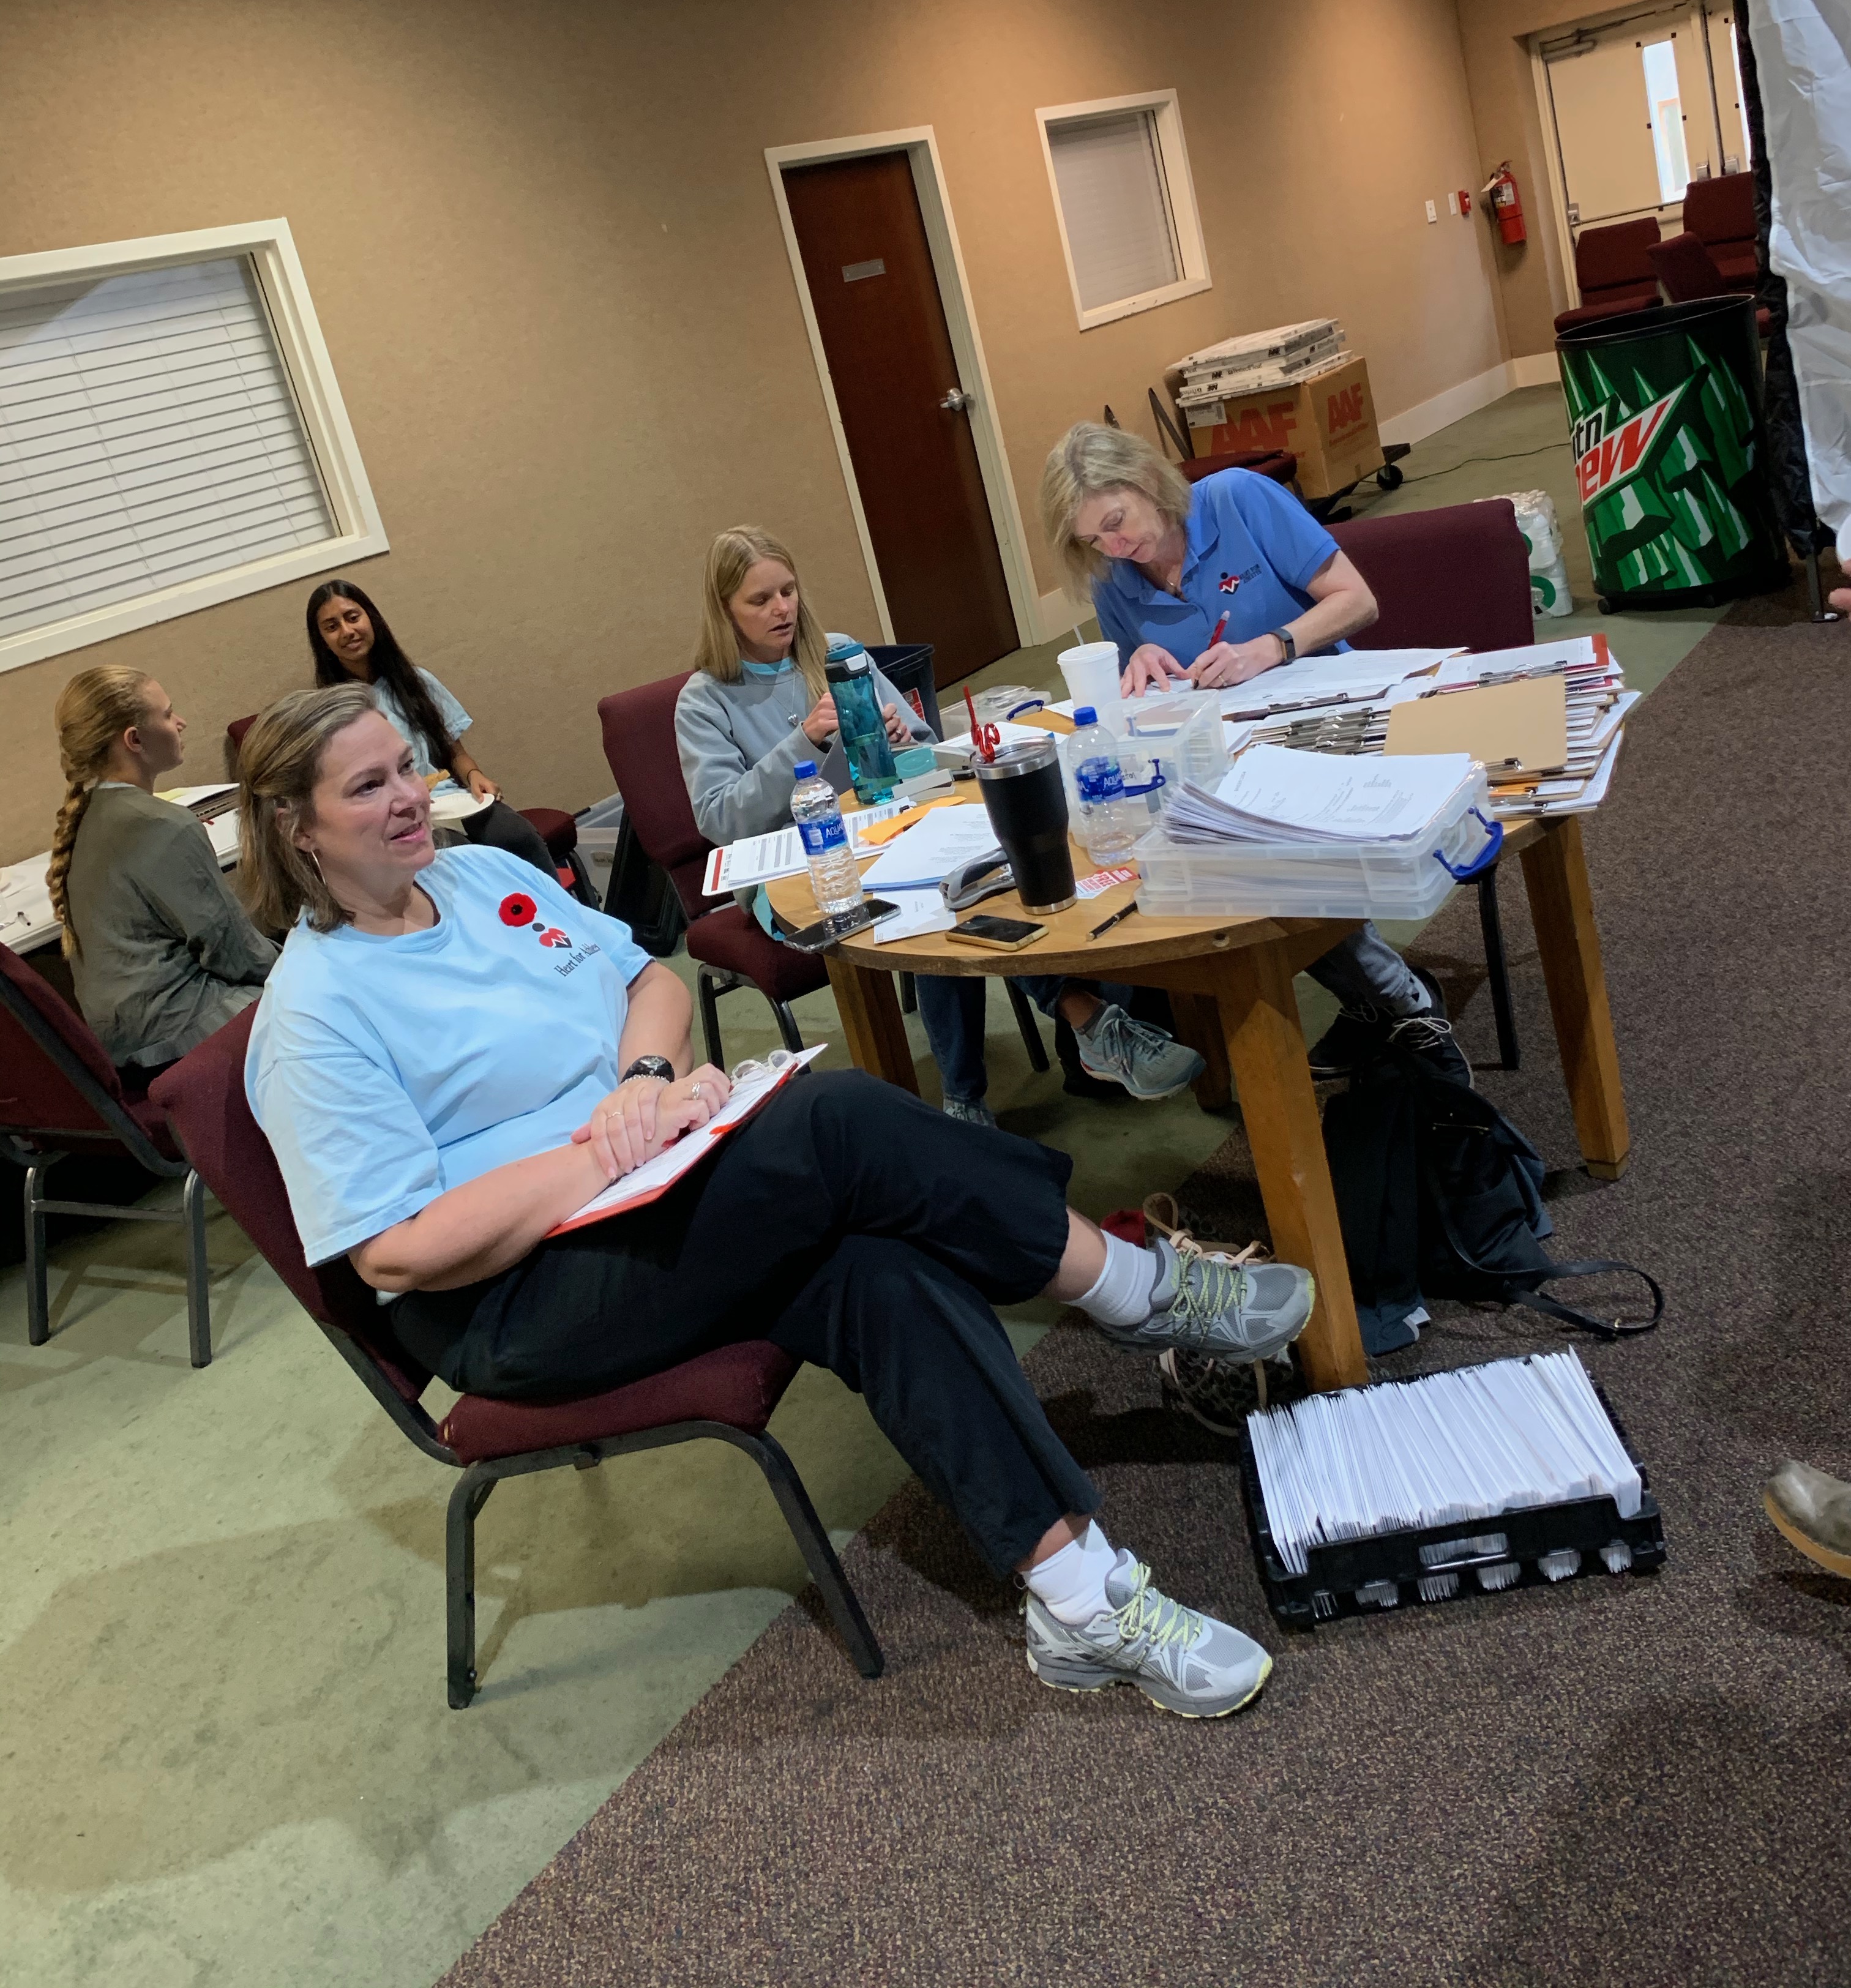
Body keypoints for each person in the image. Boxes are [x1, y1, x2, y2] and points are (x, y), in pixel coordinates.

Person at [239, 682, 1317, 1717]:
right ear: (296, 827)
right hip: (511, 1295)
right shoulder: (315, 1013)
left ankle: (1079, 1604)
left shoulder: (474, 875)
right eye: (367, 787)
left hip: (637, 1187)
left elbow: (649, 983)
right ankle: (1134, 1289)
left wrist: (643, 1084)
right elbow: (395, 1252)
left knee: (875, 1263)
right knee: (837, 1122)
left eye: (407, 768)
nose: (409, 798)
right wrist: (610, 1151)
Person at [673, 526, 1203, 1125]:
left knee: (970, 877)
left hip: (888, 828)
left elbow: (927, 750)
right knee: (925, 903)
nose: (782, 609)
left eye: (788, 591)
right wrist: (806, 742)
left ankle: (973, 1094)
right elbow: (720, 818)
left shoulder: (836, 655)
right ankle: (1080, 1026)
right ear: (725, 610)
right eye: (760, 600)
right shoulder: (705, 699)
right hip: (798, 870)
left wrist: (902, 739)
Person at [1039, 423, 1468, 1083]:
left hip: (1330, 721)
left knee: (1258, 850)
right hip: (1227, 753)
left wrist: (1272, 646)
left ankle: (1396, 999)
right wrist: (1142, 662)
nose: (1115, 547)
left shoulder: (1238, 498)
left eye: (1117, 523)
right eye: (1095, 540)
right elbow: (1141, 701)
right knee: (1185, 842)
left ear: (1147, 481)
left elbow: (1358, 601)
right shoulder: (1114, 580)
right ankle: (1374, 997)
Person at [48, 666, 275, 1080]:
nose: (180, 722)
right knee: (330, 1000)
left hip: (126, 1040)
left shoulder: (84, 818)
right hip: (178, 1035)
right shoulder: (164, 825)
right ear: (134, 740)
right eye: (168, 715)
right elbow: (233, 952)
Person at [305, 578, 556, 883]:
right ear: (322, 641)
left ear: (372, 619)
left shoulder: (417, 682)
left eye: (353, 617)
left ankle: (559, 910)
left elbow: (455, 752)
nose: (347, 631)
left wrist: (474, 776)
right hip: (395, 815)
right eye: (332, 627)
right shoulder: (332, 712)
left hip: (449, 799)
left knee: (516, 836)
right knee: (461, 859)